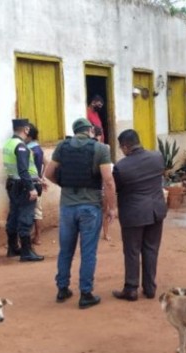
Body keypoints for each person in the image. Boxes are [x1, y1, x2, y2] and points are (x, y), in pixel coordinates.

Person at [44, 118, 117, 309]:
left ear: (74, 131)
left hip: (67, 207)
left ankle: (62, 289)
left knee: (65, 250)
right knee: (88, 252)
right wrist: (112, 207)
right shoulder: (100, 149)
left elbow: (49, 173)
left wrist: (65, 185)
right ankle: (85, 294)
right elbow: (108, 181)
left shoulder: (62, 146)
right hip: (91, 207)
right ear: (90, 130)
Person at [111, 129, 167, 301]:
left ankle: (131, 288)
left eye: (122, 148)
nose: (122, 151)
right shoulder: (157, 157)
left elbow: (117, 188)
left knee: (132, 251)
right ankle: (150, 288)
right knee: (151, 249)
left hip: (133, 213)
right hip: (156, 210)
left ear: (126, 146)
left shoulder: (121, 167)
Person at [3, 118, 44, 262]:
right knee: (26, 217)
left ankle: (12, 247)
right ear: (26, 129)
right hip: (23, 186)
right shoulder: (21, 146)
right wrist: (32, 188)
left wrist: (37, 179)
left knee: (13, 216)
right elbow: (23, 169)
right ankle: (26, 252)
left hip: (13, 184)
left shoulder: (8, 143)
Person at [27, 124, 48, 246]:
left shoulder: (27, 149)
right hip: (38, 182)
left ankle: (27, 237)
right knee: (37, 211)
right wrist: (42, 177)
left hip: (29, 183)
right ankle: (38, 237)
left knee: (27, 210)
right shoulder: (38, 148)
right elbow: (46, 162)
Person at [93, 127, 112, 241]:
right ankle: (104, 233)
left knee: (104, 210)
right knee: (103, 210)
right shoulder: (103, 148)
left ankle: (105, 233)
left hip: (101, 183)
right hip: (99, 183)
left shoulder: (105, 148)